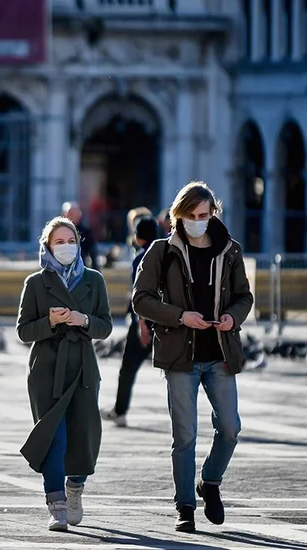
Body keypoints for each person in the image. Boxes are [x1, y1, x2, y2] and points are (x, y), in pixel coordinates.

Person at [132, 182, 253, 533]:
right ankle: (184, 505)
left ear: (213, 213)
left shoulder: (230, 250)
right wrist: (180, 316)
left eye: (204, 215)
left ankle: (209, 482)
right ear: (178, 216)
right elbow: (141, 299)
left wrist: (233, 316)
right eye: (191, 216)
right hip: (179, 355)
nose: (198, 221)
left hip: (220, 353)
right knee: (184, 436)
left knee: (230, 428)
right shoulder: (161, 251)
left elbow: (244, 297)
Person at [16, 216, 113, 532]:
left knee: (83, 435)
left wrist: (82, 320)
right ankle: (56, 504)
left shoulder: (94, 280)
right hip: (47, 369)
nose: (66, 247)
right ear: (47, 247)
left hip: (83, 368)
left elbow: (105, 326)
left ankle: (75, 487)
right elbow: (23, 331)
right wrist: (52, 322)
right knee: (53, 439)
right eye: (59, 242)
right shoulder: (35, 282)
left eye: (71, 241)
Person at [101, 216, 160, 427]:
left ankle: (120, 410)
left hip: (146, 321)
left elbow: (140, 294)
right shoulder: (167, 253)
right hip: (167, 321)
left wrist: (142, 324)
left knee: (128, 369)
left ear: (138, 237)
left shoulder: (140, 259)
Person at [62, 202, 99, 269]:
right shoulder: (59, 231)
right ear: (65, 214)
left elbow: (93, 252)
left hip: (80, 268)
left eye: (76, 213)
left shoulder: (86, 231)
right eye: (72, 213)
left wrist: (96, 269)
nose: (75, 215)